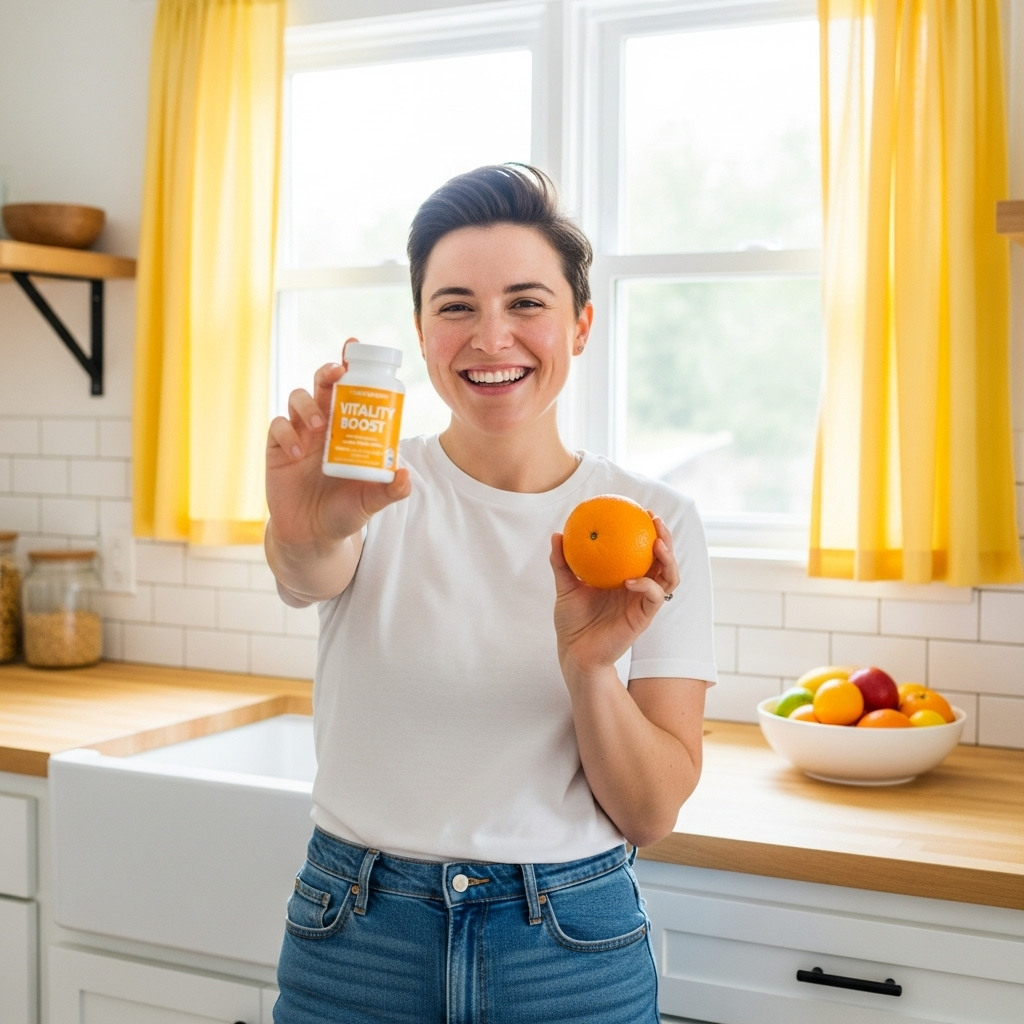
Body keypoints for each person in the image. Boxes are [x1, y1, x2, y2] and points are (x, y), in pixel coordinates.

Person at [265, 164, 717, 1023]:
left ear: (581, 325)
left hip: (568, 952)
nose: (491, 336)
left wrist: (590, 668)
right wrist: (303, 529)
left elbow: (651, 812)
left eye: (526, 302)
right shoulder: (370, 487)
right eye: (456, 307)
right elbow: (308, 570)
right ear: (421, 332)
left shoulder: (656, 526)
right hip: (357, 939)